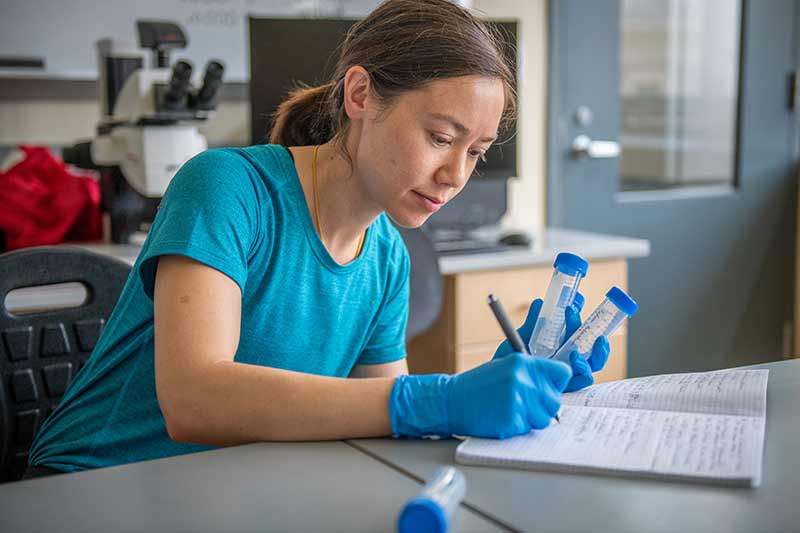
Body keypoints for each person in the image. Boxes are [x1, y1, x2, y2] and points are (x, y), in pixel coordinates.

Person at [26, 0, 609, 478]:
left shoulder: (386, 256)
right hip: (98, 484)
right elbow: (194, 401)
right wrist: (441, 397)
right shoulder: (228, 187)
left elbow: (381, 421)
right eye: (439, 137)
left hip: (230, 487)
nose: (456, 176)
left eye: (475, 152)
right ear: (359, 95)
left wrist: (499, 389)